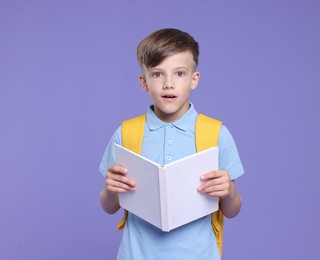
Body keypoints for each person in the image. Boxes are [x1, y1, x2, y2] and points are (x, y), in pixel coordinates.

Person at [99, 28, 244, 259]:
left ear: (194, 79)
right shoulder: (125, 133)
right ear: (143, 82)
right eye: (157, 74)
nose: (168, 84)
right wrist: (110, 188)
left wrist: (229, 192)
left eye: (179, 73)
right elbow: (109, 207)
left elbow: (232, 210)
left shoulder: (217, 133)